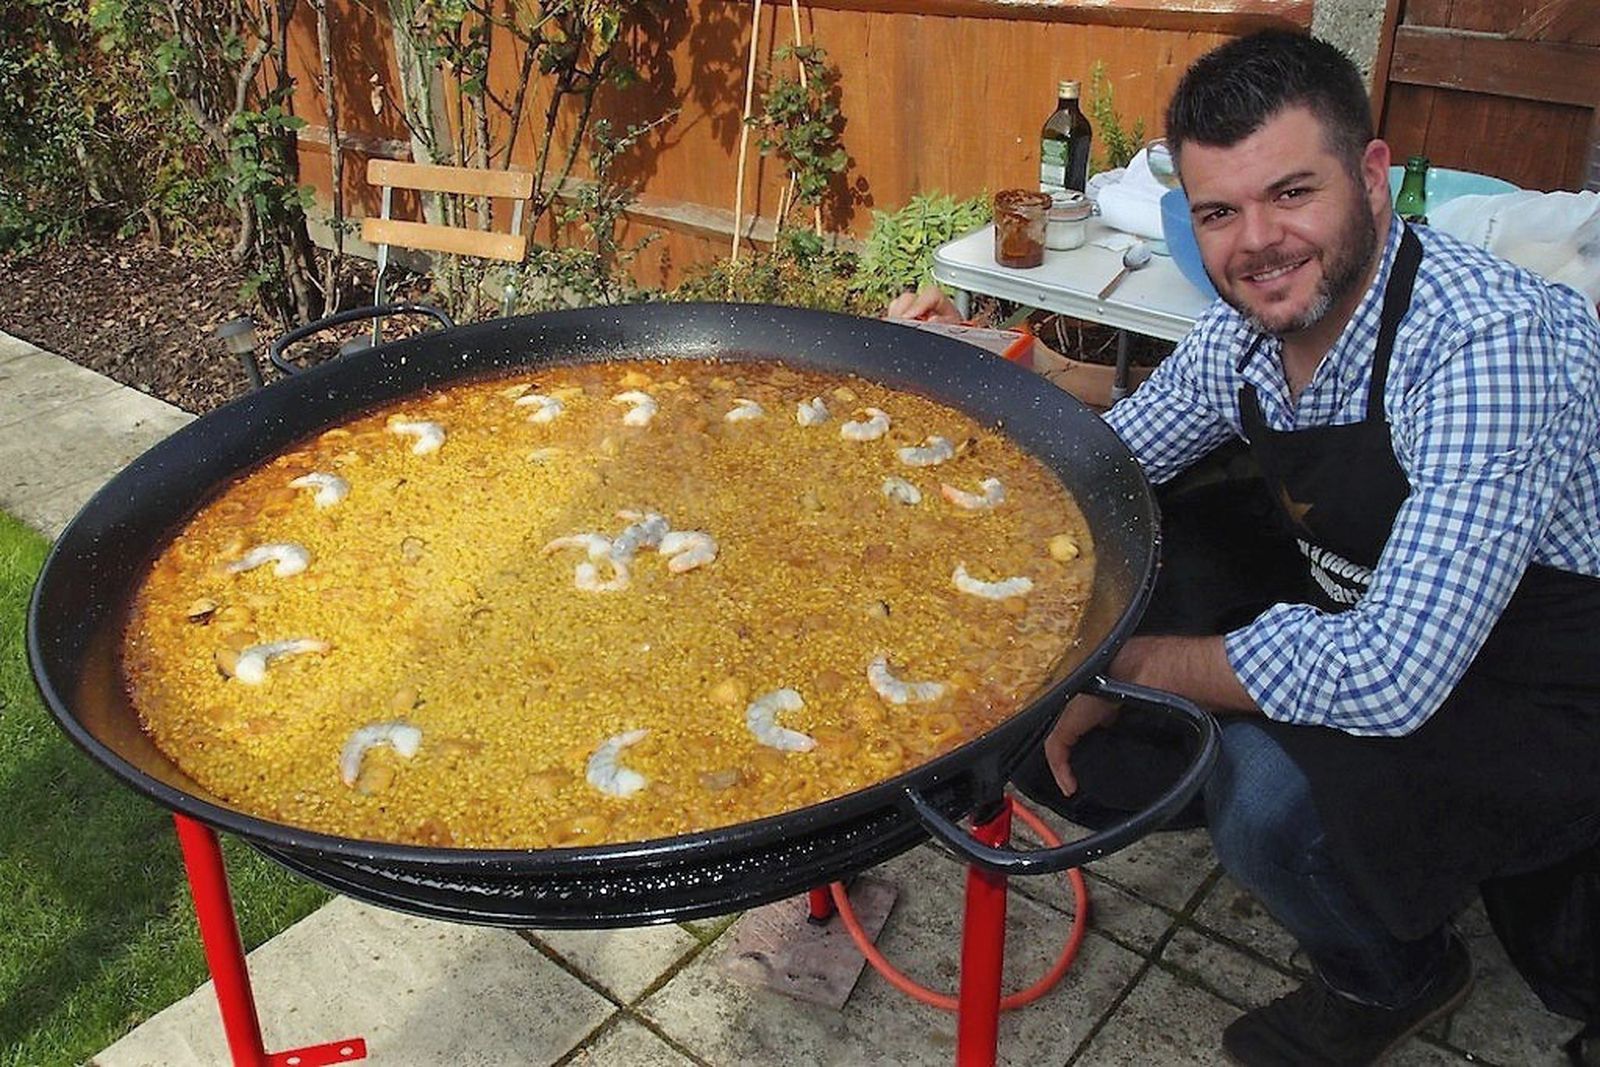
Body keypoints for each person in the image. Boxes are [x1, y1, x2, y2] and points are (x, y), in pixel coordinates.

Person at [890, 30, 1600, 1066]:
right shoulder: (1248, 332)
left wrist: (1117, 664)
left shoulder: (1487, 348)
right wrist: (940, 403)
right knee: (1118, 630)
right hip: (1372, 604)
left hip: (1543, 675)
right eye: (1220, 212)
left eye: (1291, 193)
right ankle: (1360, 887)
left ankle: (1390, 976)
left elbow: (1392, 673)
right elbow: (1104, 468)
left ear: (1371, 176)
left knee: (1265, 795)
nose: (1257, 242)